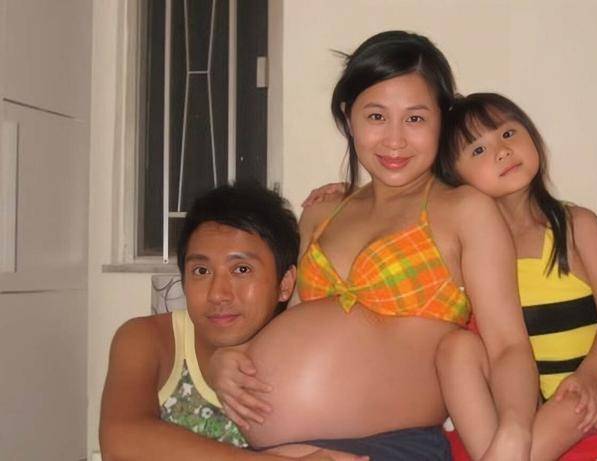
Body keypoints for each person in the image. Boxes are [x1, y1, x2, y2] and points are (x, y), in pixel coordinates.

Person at [210, 31, 538, 461]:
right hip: (282, 452)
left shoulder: (465, 210)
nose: (394, 140)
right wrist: (226, 360)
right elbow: (290, 325)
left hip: (393, 444)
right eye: (377, 116)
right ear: (349, 118)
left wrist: (514, 431)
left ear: (441, 120)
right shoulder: (321, 213)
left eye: (415, 119)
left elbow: (509, 345)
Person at [99, 183, 366, 461]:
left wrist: (363, 197)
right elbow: (120, 441)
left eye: (241, 269)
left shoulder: (306, 356)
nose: (218, 294)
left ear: (285, 283)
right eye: (201, 271)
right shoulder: (149, 340)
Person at [434, 92, 597, 460]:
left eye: (508, 134)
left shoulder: (577, 226)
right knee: (454, 348)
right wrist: (345, 193)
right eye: (479, 149)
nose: (502, 151)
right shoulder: (471, 248)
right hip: (514, 397)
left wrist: (589, 376)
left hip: (590, 382)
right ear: (454, 179)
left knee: (569, 407)